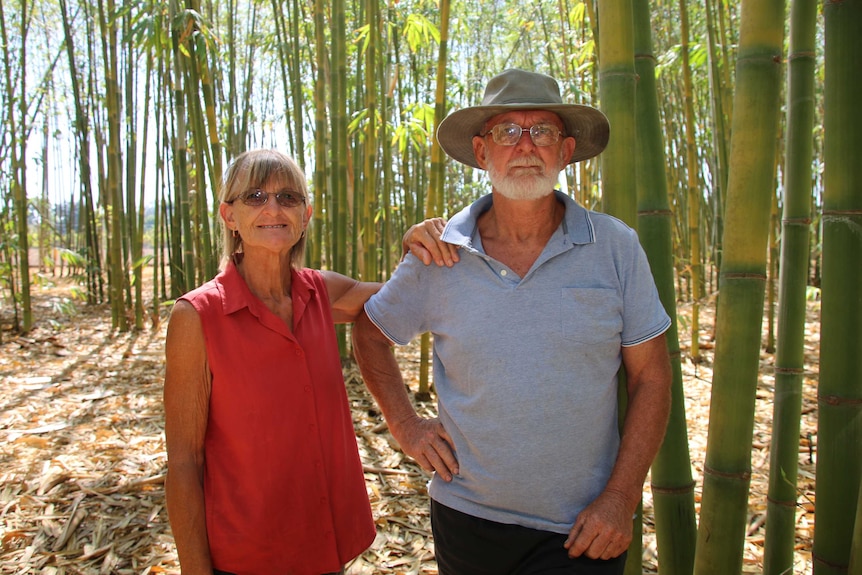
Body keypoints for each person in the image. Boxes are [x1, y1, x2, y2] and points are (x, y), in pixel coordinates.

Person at [352, 69, 673, 575]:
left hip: (584, 526)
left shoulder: (616, 248)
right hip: (468, 517)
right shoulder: (439, 254)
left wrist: (621, 497)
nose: (526, 145)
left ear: (566, 151)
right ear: (482, 153)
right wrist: (406, 425)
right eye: (508, 132)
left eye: (541, 130)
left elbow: (652, 377)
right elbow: (370, 335)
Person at [163, 149, 448, 575]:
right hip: (247, 555)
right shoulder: (196, 317)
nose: (273, 208)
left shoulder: (321, 293)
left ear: (306, 215)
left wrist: (415, 244)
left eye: (289, 198)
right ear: (229, 216)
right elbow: (184, 462)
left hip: (324, 544)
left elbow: (407, 296)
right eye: (255, 196)